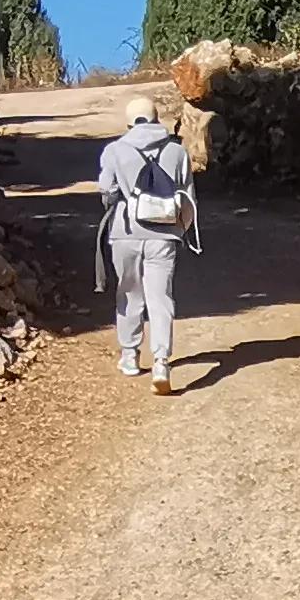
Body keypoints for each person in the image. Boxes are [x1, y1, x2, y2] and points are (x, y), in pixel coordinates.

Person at [95, 95, 201, 386]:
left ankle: (130, 355)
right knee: (161, 297)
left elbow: (107, 191)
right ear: (157, 120)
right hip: (165, 235)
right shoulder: (177, 152)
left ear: (129, 122)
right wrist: (181, 230)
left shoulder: (115, 150)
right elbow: (187, 196)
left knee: (128, 293)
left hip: (125, 233)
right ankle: (161, 361)